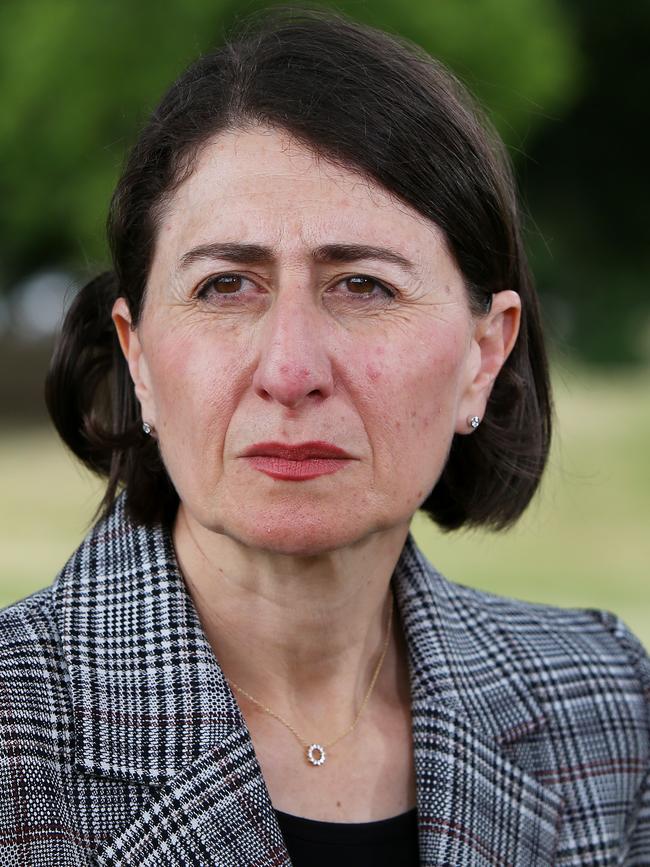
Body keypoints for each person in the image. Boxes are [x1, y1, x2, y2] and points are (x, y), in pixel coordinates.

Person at [1, 8, 648, 866]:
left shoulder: (607, 708)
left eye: (365, 287)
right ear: (140, 355)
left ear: (483, 355)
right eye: (226, 284)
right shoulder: (18, 733)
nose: (291, 368)